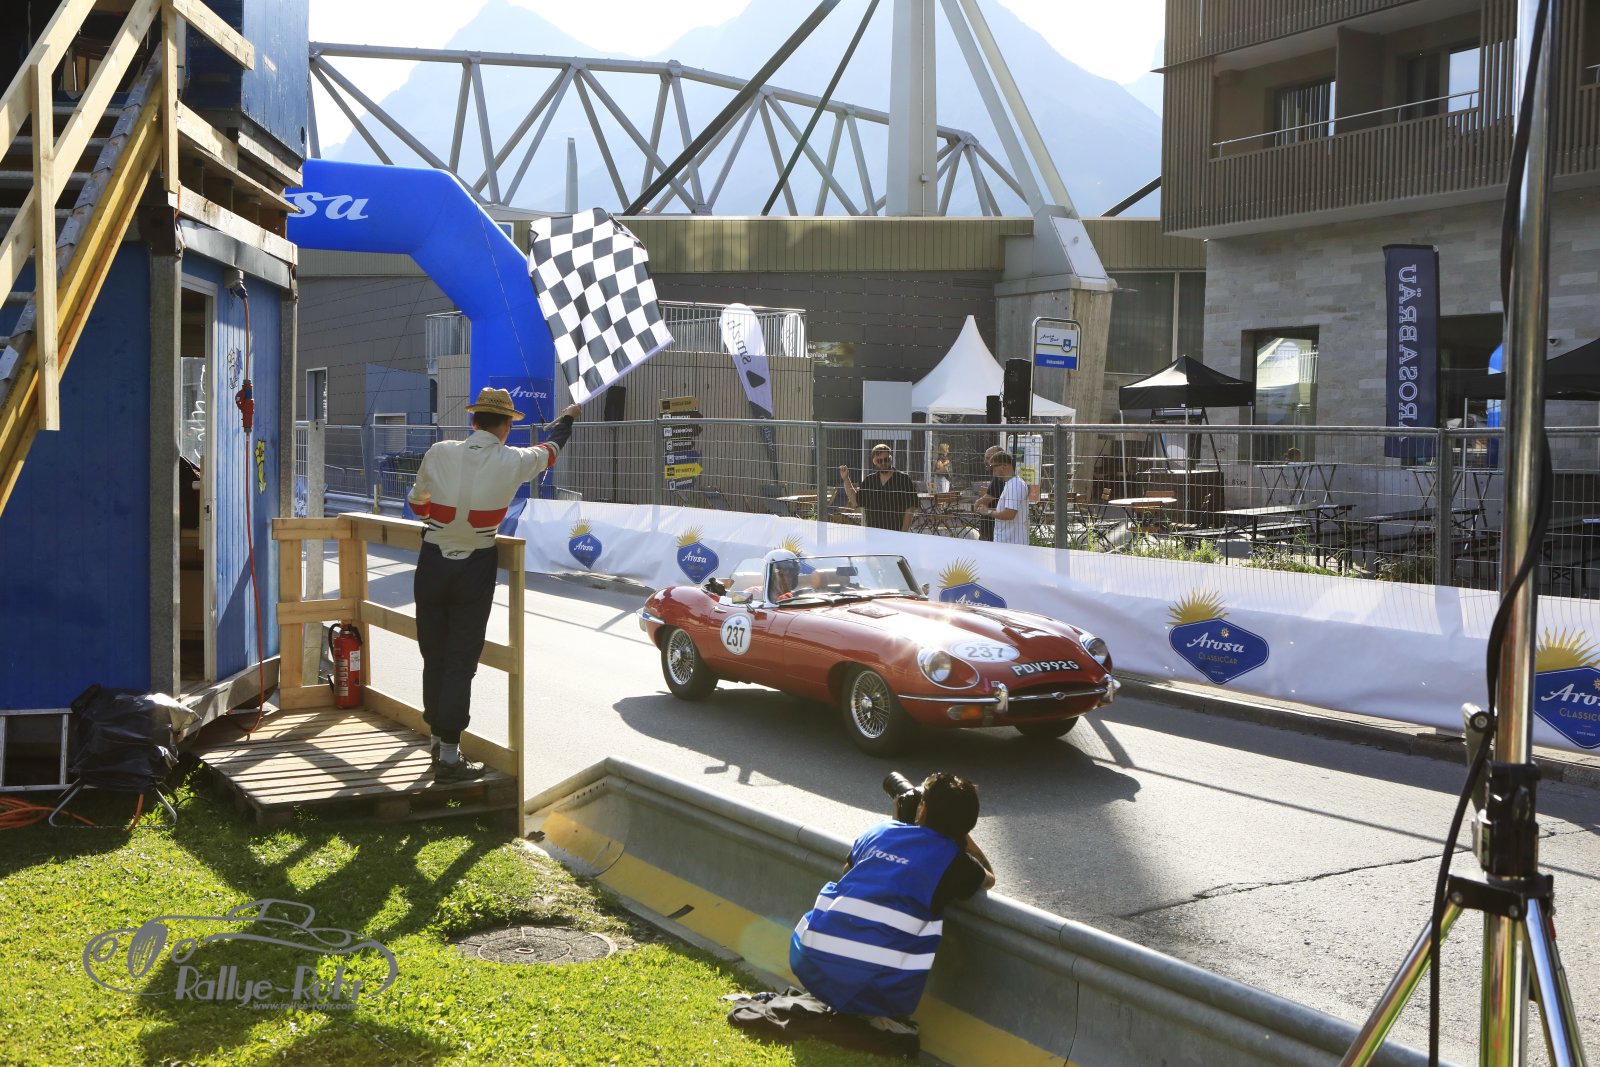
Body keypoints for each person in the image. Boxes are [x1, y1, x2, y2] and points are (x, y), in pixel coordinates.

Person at [406, 388, 581, 781]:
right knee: (461, 658)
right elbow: (552, 449)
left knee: (433, 652)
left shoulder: (439, 451)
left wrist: (438, 518)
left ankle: (436, 739)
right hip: (476, 563)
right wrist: (569, 417)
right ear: (505, 428)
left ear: (474, 422)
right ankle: (448, 756)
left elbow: (418, 503)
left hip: (432, 558)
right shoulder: (514, 460)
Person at [789, 772, 994, 1020]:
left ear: (923, 810)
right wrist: (961, 838)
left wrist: (899, 823)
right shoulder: (957, 864)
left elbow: (848, 874)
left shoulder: (883, 830)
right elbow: (989, 877)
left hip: (808, 961)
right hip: (876, 992)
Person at [839, 443, 917, 533]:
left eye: (886, 459)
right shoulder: (869, 481)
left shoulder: (903, 479)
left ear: (891, 458)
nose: (883, 463)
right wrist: (846, 479)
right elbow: (855, 501)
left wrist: (903, 532)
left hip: (895, 533)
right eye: (879, 461)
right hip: (873, 534)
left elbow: (910, 508)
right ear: (874, 461)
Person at [975, 452, 1029, 545]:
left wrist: (988, 512)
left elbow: (1009, 514)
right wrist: (987, 510)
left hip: (1012, 543)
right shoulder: (1011, 483)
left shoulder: (1015, 485)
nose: (992, 473)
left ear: (1004, 466)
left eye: (993, 468)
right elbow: (1006, 511)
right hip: (1008, 542)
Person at [973, 445, 1003, 542]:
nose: (985, 461)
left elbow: (987, 499)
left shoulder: (999, 478)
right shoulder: (997, 477)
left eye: (988, 458)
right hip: (993, 523)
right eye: (985, 458)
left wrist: (977, 503)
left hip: (992, 524)